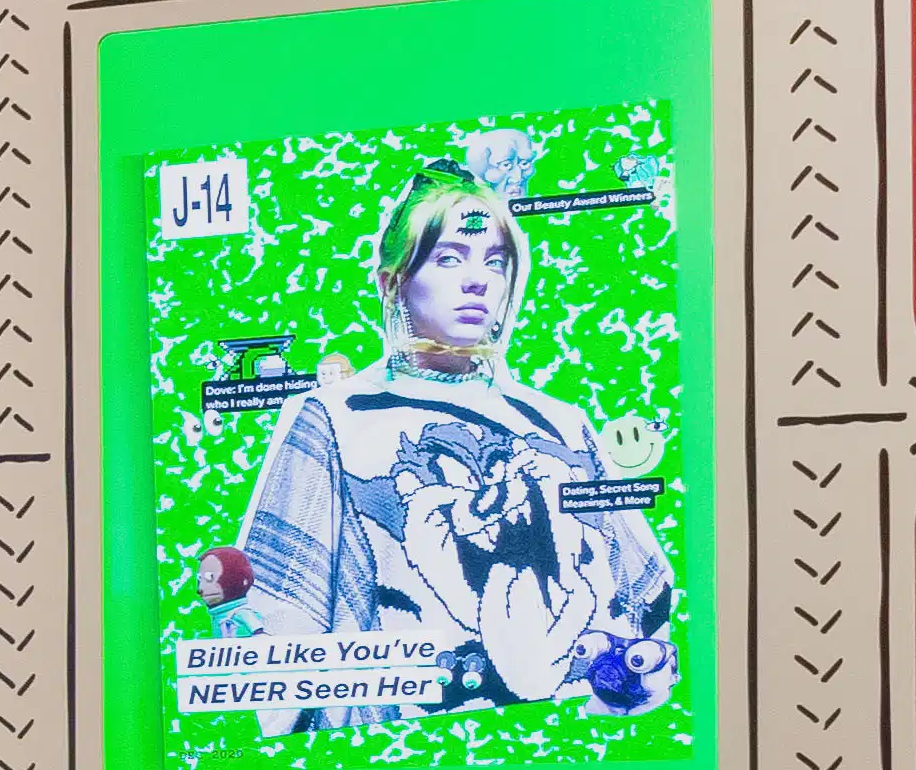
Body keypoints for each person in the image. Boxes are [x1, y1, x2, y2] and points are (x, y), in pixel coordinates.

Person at [217, 161, 678, 731]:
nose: (478, 280)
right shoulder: (334, 420)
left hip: (571, 748)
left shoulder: (560, 423)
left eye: (495, 261)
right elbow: (281, 632)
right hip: (400, 759)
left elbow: (647, 605)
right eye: (449, 257)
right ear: (394, 280)